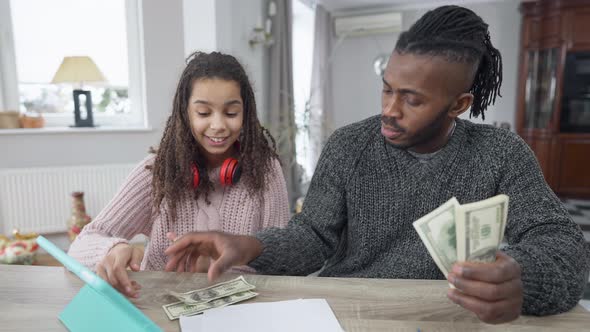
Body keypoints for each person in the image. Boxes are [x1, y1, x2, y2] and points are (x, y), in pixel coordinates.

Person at [163, 6, 590, 324]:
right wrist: (250, 246)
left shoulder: (501, 154)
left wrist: (521, 275)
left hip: (451, 316)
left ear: (458, 105)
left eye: (412, 99)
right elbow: (313, 237)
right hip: (352, 311)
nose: (389, 109)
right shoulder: (348, 146)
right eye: (387, 89)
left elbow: (565, 248)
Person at [68, 51, 290, 298]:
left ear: (245, 114)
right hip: (161, 305)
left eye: (230, 113)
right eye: (204, 113)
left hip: (240, 309)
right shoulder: (154, 173)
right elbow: (82, 243)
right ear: (185, 113)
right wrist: (113, 248)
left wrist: (222, 265)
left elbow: (282, 261)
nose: (218, 125)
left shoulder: (265, 172)